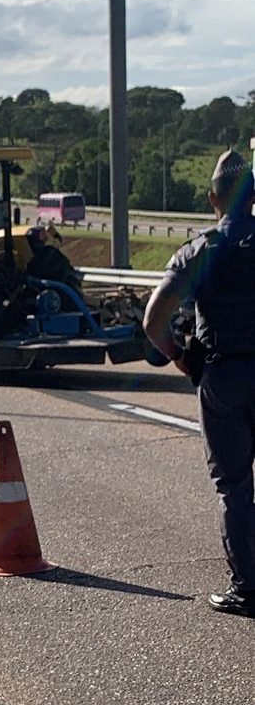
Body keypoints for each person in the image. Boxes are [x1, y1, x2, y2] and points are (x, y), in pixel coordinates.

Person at [143, 149, 255, 619]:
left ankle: (248, 588)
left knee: (234, 486)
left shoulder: (199, 250)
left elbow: (154, 322)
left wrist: (182, 358)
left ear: (212, 198)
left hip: (224, 376)